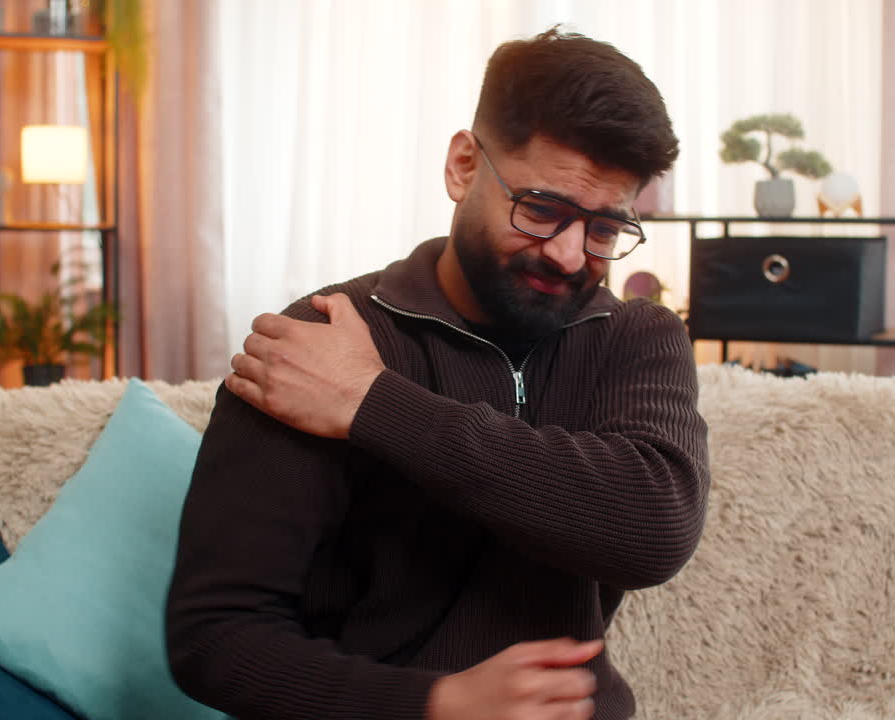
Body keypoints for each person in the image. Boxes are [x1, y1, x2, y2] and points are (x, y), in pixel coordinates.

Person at [166, 27, 710, 720]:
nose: (571, 255)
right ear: (461, 166)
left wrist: (373, 404)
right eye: (542, 210)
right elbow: (213, 637)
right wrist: (435, 704)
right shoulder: (318, 342)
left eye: (604, 228)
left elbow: (652, 528)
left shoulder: (637, 336)